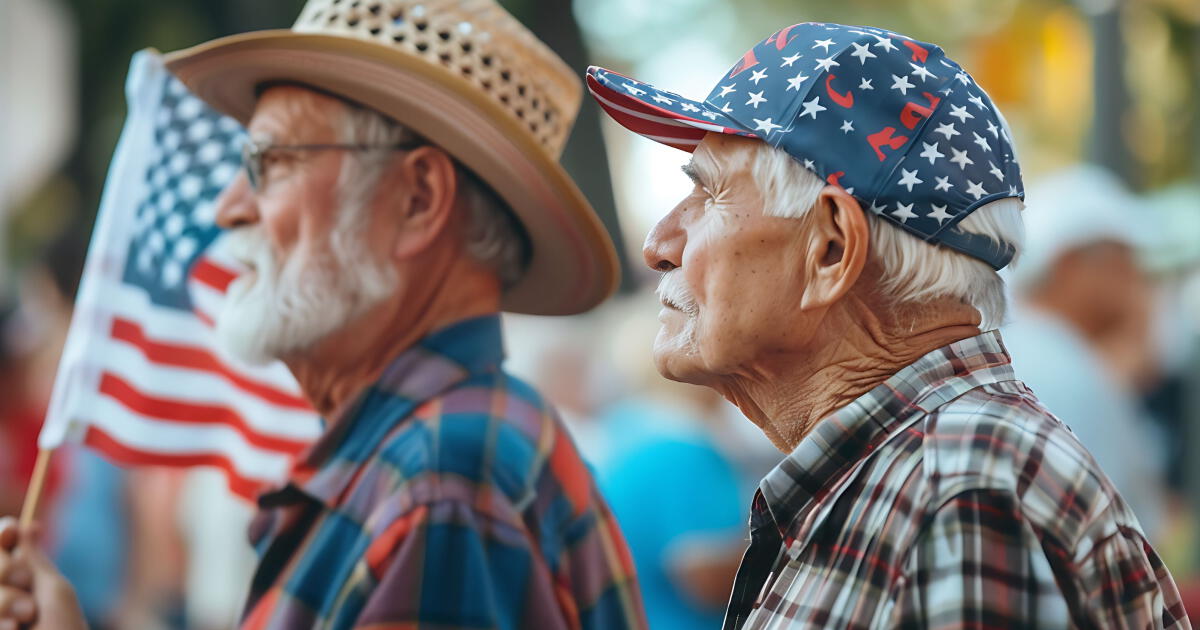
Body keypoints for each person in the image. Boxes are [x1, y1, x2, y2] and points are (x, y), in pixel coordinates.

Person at [0, 0, 647, 628]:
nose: (229, 207)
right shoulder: (439, 452)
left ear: (418, 198)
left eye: (269, 162)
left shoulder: (441, 481)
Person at [587, 22, 1190, 628]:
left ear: (830, 249)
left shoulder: (960, 496)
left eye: (708, 193)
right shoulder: (928, 475)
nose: (657, 243)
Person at [1003, 165, 1168, 541]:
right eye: (1123, 258)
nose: (1136, 277)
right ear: (1070, 264)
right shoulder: (1069, 369)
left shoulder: (1023, 348)